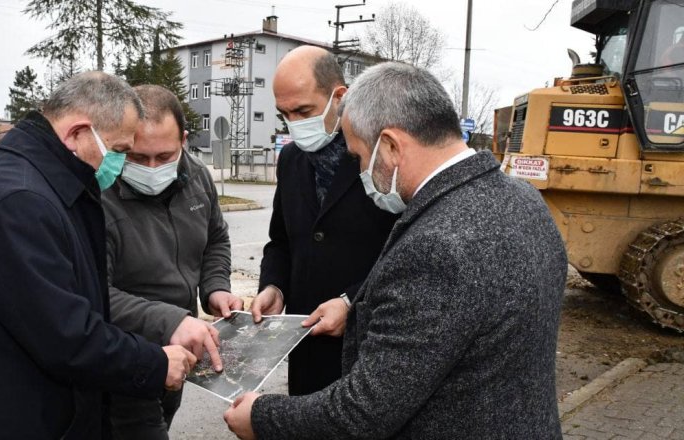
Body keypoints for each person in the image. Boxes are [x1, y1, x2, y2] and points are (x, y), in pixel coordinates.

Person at [225, 62, 568, 439]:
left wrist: (261, 417)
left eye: (358, 157)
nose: (359, 171)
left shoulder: (436, 248)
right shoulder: (525, 198)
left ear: (389, 145)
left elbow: (363, 412)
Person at [0, 72, 197, 440]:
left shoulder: (47, 185)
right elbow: (66, 336)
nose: (121, 163)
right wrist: (154, 363)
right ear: (77, 133)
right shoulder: (20, 202)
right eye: (119, 151)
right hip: (1, 422)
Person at [250, 45, 398, 396]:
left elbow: (405, 251)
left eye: (303, 111)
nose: (295, 124)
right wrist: (274, 286)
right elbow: (281, 240)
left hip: (369, 350)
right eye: (285, 114)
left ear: (339, 97)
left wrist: (352, 301)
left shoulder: (381, 157)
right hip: (306, 345)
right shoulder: (290, 159)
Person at [102, 84, 242, 439]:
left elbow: (216, 239)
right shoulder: (98, 196)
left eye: (163, 157)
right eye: (136, 157)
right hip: (124, 358)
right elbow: (92, 292)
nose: (151, 169)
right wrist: (172, 320)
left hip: (182, 353)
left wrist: (216, 288)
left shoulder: (197, 176)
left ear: (183, 138)